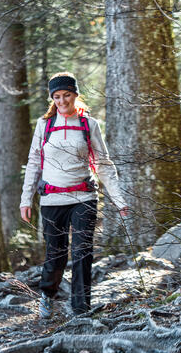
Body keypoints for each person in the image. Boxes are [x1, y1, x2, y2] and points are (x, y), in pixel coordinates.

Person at [20, 72, 129, 318]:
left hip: (83, 197)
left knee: (82, 252)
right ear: (52, 99)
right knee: (55, 253)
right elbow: (34, 161)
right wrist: (26, 199)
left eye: (66, 95)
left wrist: (118, 199)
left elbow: (103, 163)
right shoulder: (44, 125)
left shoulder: (88, 125)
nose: (61, 101)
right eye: (56, 97)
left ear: (75, 95)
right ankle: (48, 294)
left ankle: (81, 308)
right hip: (52, 199)